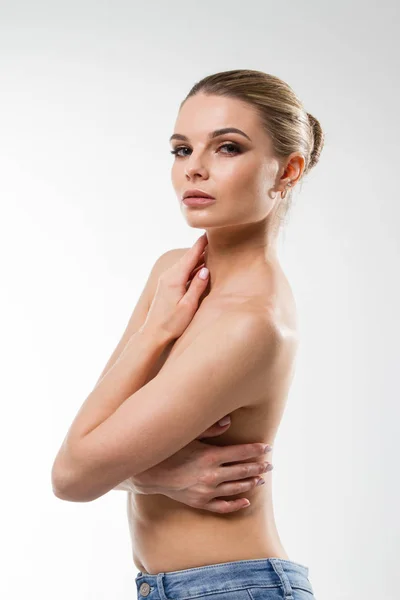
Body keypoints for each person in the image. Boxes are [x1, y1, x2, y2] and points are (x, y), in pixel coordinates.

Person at [51, 69, 323, 599]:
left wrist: (128, 471)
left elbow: (73, 474)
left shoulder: (251, 322)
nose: (194, 169)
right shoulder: (173, 273)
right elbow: (89, 452)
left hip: (233, 587)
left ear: (287, 171)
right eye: (181, 149)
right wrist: (157, 474)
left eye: (227, 148)